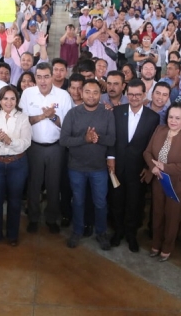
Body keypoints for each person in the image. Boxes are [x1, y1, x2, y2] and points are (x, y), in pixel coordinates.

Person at [60, 79, 115, 250]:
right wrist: (84, 139)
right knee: (78, 201)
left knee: (100, 202)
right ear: (81, 93)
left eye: (95, 92)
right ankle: (77, 230)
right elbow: (64, 140)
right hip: (76, 167)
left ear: (100, 94)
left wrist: (96, 138)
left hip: (99, 168)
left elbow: (112, 139)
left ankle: (101, 232)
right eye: (88, 92)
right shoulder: (73, 114)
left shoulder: (107, 113)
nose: (91, 96)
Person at [107, 79, 160, 252]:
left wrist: (148, 167)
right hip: (118, 166)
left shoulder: (153, 117)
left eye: (138, 94)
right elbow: (112, 138)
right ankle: (118, 231)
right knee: (116, 200)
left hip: (139, 169)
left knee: (134, 203)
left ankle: (131, 234)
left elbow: (152, 145)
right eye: (131, 94)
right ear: (126, 94)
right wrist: (111, 158)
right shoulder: (117, 111)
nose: (134, 98)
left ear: (145, 95)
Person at [20, 63, 72, 234]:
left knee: (53, 185)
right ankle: (33, 218)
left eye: (46, 76)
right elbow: (22, 120)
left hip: (56, 147)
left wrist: (54, 117)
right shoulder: (28, 94)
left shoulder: (63, 95)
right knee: (34, 184)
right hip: (33, 147)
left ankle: (51, 218)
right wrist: (43, 115)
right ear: (35, 78)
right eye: (39, 77)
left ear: (52, 76)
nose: (43, 81)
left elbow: (67, 125)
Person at [143, 103, 181, 261]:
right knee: (157, 213)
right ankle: (155, 243)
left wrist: (164, 166)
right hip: (158, 180)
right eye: (170, 117)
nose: (173, 121)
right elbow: (147, 152)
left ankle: (167, 248)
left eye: (177, 118)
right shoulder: (159, 130)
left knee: (172, 217)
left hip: (178, 184)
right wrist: (153, 166)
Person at [0, 86, 32, 246]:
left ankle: (12, 235)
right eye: (5, 98)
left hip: (17, 164)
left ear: (17, 101)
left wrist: (10, 141)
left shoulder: (23, 117)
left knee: (15, 201)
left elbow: (26, 143)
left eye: (12, 98)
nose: (9, 102)